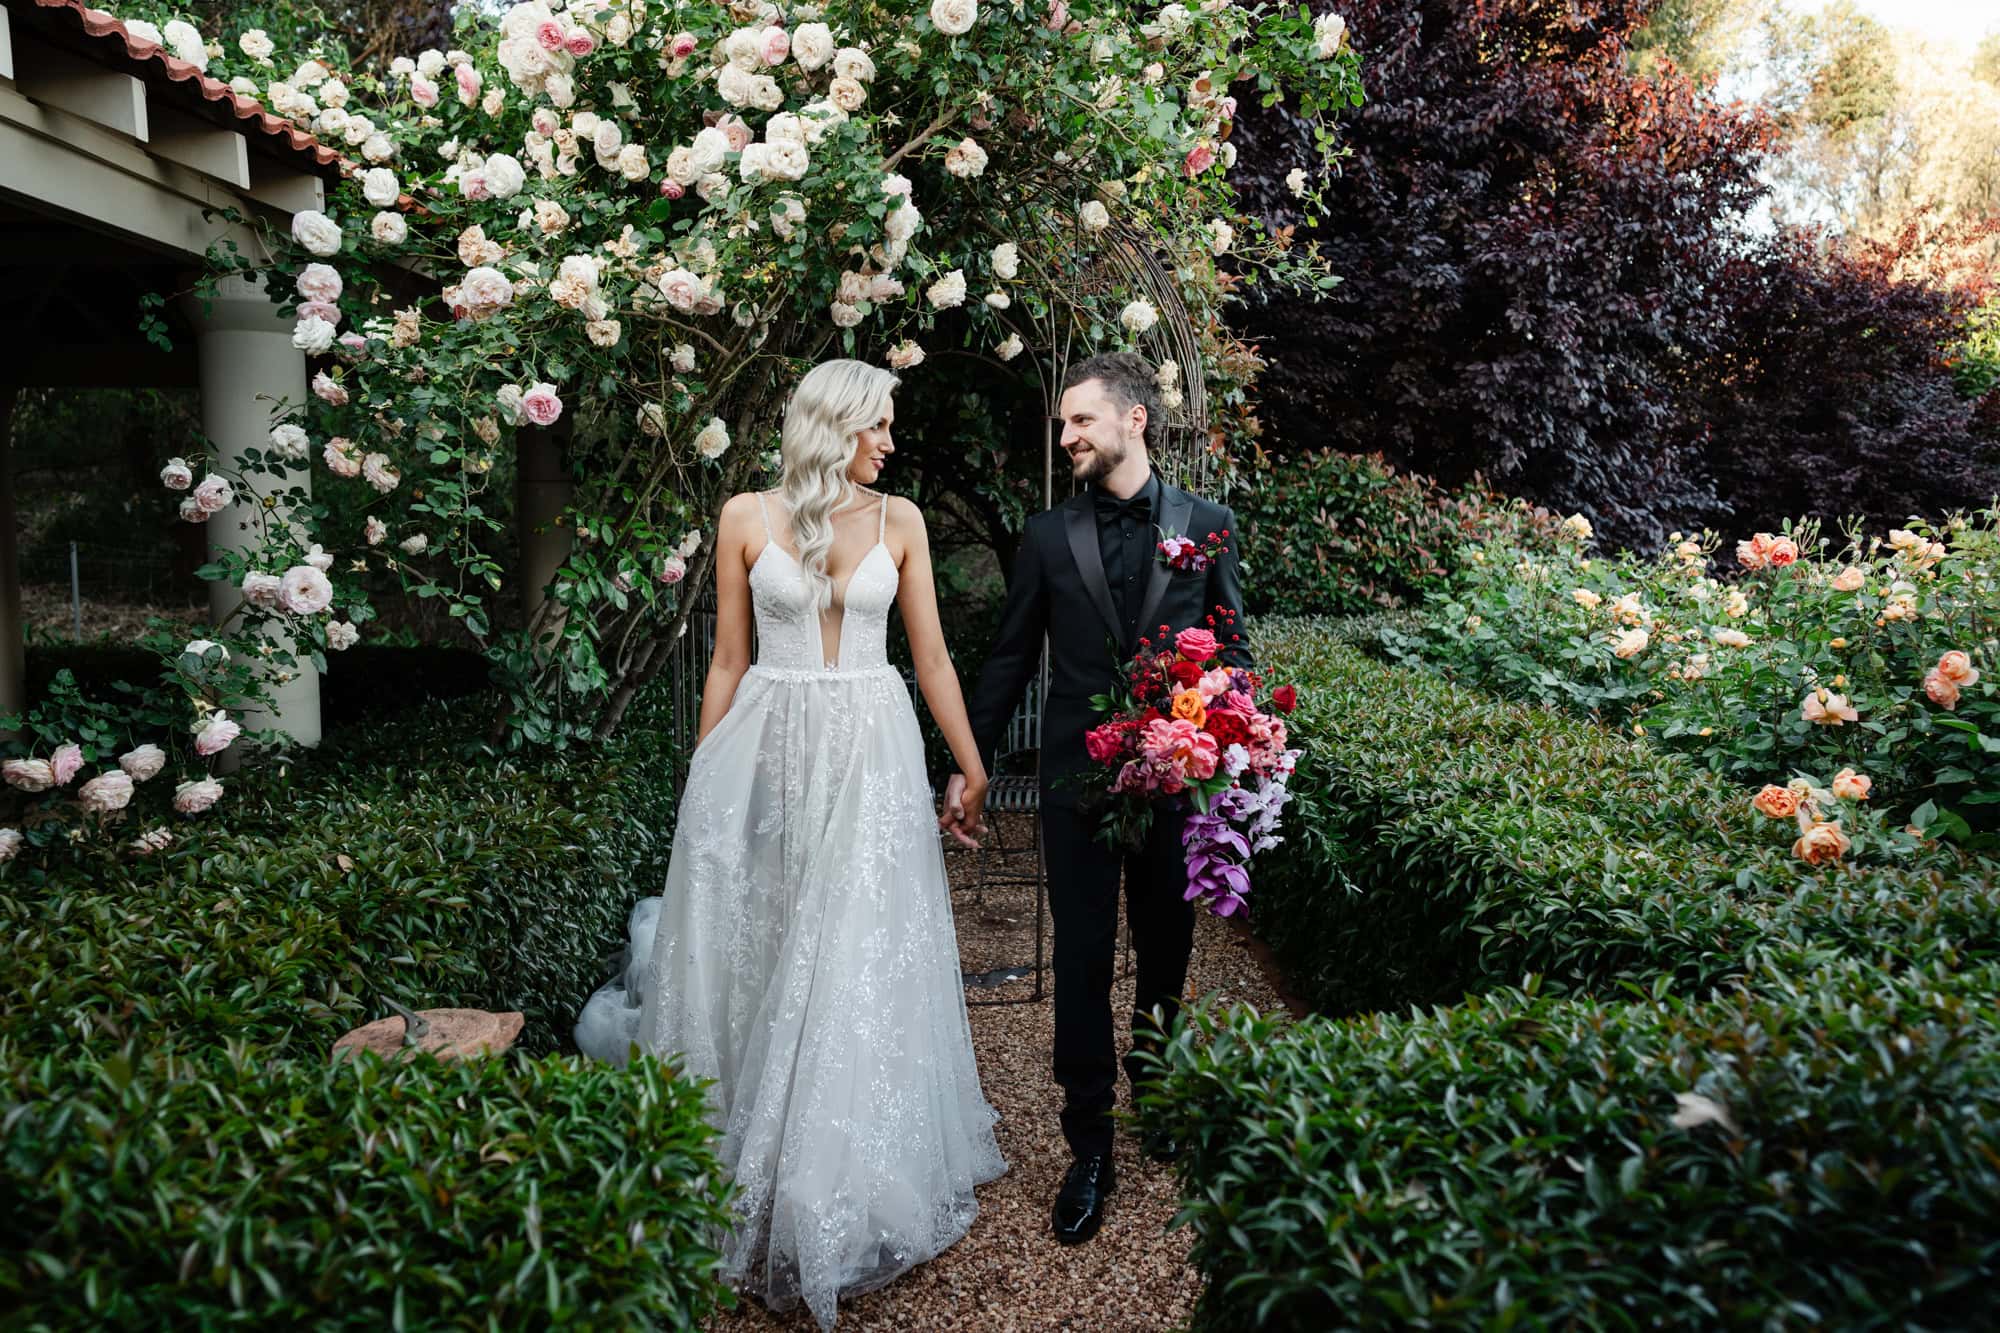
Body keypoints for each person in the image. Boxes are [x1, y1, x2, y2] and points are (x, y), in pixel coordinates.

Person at [574, 359, 1007, 1330]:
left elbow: (928, 654)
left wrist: (970, 764)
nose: (890, 442)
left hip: (868, 742)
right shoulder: (743, 516)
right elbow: (728, 657)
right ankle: (748, 1153)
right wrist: (704, 779)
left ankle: (836, 1172)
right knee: (768, 931)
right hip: (766, 742)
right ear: (834, 424)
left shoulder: (900, 521)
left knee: (852, 942)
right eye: (878, 424)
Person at [945, 351, 1252, 1246]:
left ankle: (1155, 1087)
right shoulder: (1047, 535)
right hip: (1075, 783)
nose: (1068, 435)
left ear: (1134, 420)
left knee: (1164, 951)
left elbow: (1233, 650)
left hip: (1175, 783)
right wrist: (968, 767)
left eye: (1082, 420)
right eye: (1065, 424)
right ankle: (1089, 1145)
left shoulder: (1210, 524)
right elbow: (1007, 658)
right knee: (1079, 961)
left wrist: (1243, 750)